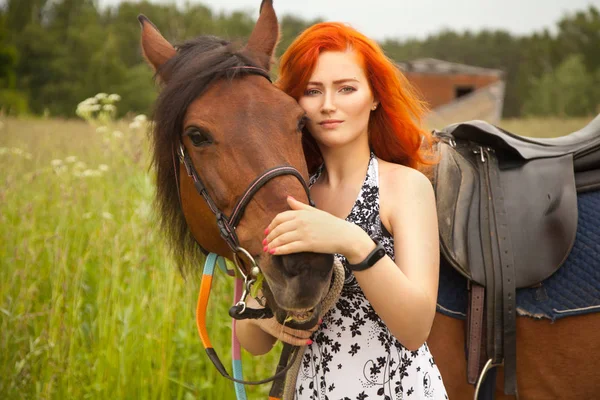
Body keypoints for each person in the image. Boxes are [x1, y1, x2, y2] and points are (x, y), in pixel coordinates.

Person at [236, 22, 447, 399]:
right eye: (312, 91)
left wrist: (352, 241)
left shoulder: (403, 187)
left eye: (346, 88)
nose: (328, 105)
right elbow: (252, 341)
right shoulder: (293, 196)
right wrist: (261, 315)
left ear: (374, 97)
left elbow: (415, 329)